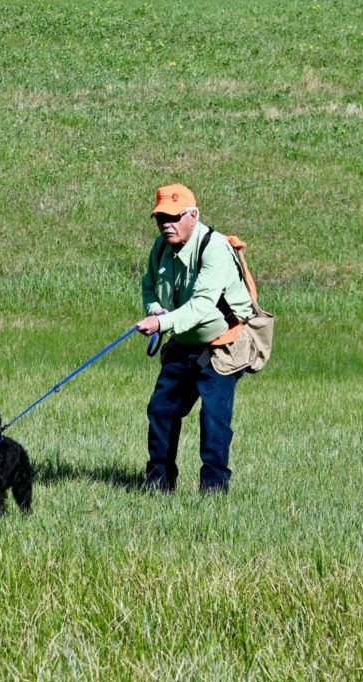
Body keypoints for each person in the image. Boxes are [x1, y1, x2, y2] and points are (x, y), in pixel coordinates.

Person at [136, 183, 253, 494]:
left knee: (213, 418)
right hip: (183, 340)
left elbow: (202, 306)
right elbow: (148, 284)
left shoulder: (215, 249)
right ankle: (158, 483)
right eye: (161, 218)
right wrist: (155, 307)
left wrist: (162, 322)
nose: (167, 225)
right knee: (161, 409)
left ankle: (214, 489)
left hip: (222, 345)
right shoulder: (160, 246)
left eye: (174, 217)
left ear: (193, 215)